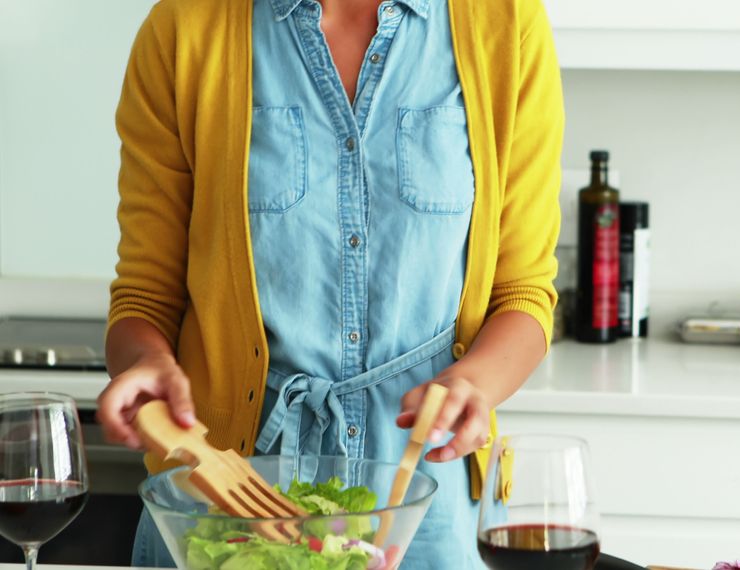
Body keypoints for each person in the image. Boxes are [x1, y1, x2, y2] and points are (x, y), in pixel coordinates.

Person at [95, 0, 563, 566]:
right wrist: (145, 362)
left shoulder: (505, 23)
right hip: (228, 501)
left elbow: (524, 292)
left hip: (426, 511)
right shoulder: (185, 28)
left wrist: (476, 383)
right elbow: (146, 293)